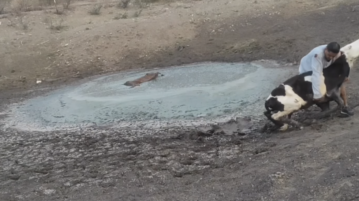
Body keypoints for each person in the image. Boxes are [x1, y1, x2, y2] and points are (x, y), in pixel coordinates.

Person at [298, 42, 353, 116]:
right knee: (315, 87)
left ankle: (345, 106)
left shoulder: (338, 54)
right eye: (329, 55)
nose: (330, 57)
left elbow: (345, 64)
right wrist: (317, 95)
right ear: (326, 50)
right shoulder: (318, 55)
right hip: (308, 68)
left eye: (333, 56)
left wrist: (346, 76)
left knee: (341, 81)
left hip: (325, 66)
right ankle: (323, 107)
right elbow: (316, 74)